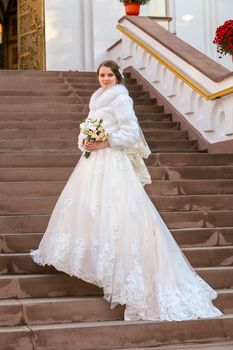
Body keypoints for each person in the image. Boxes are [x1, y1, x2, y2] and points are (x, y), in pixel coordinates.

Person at [31, 60, 222, 321]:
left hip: (112, 162)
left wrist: (107, 141)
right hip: (93, 162)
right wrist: (86, 141)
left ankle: (126, 273)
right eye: (101, 74)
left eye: (109, 74)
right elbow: (86, 127)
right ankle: (99, 262)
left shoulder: (121, 99)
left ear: (118, 77)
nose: (105, 78)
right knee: (89, 209)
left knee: (118, 212)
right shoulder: (96, 99)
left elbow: (131, 133)